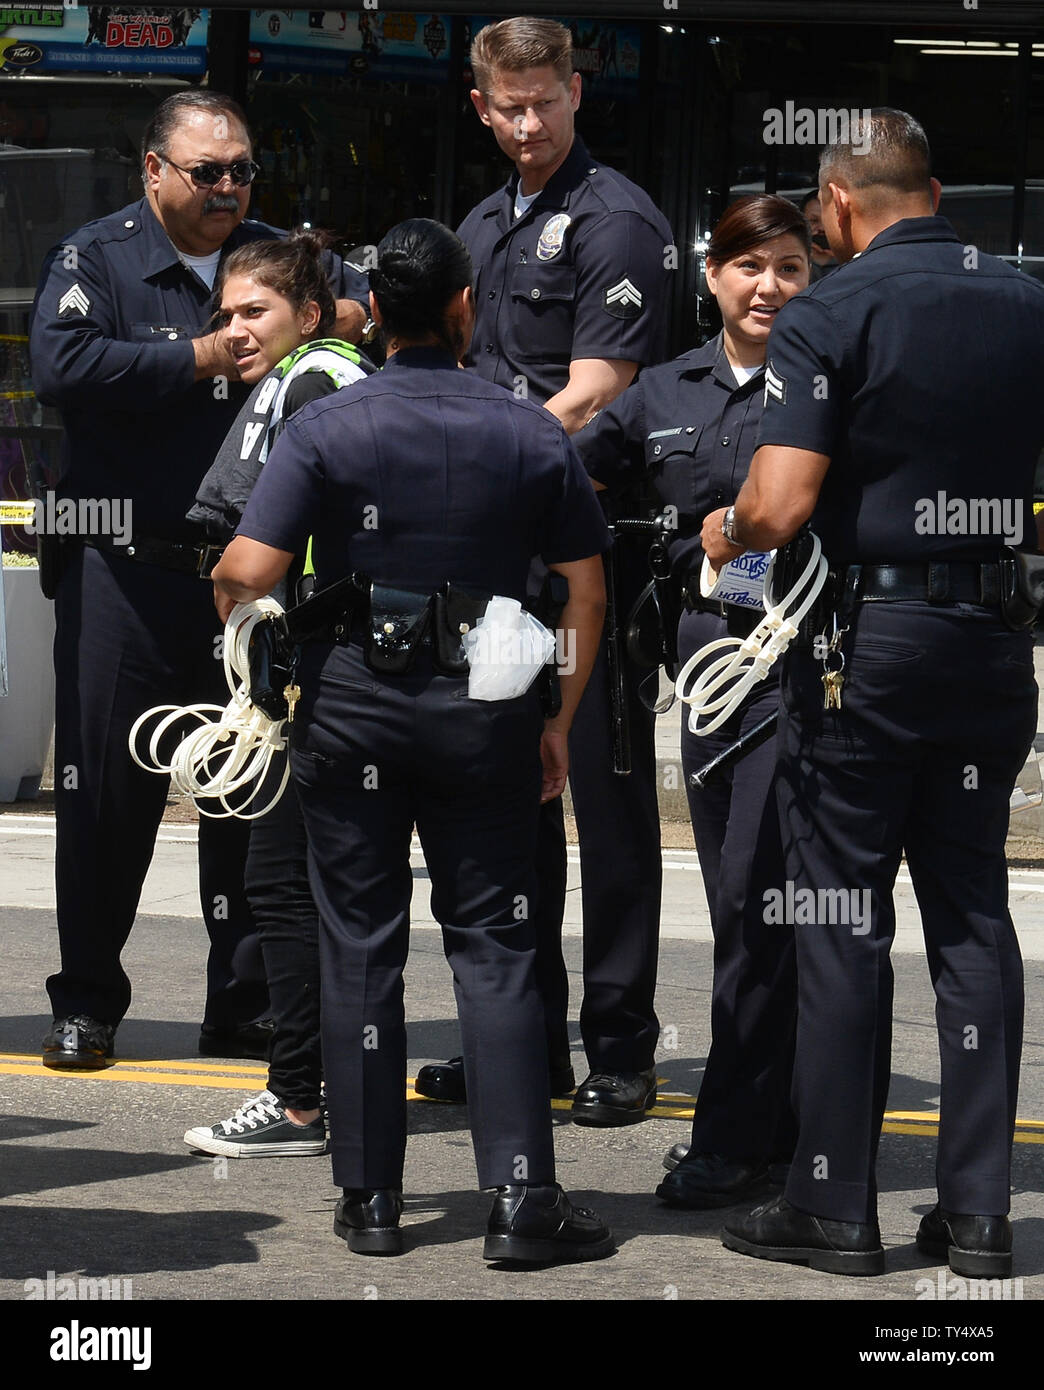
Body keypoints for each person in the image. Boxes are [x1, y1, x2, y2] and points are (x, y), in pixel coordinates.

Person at [211, 218, 615, 1263]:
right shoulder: (529, 429)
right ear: (467, 307)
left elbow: (243, 571)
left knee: (358, 945)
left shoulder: (331, 424)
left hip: (354, 710)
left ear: (373, 314)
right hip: (490, 709)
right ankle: (523, 1203)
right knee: (498, 948)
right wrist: (558, 719)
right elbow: (584, 585)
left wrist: (263, 665)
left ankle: (372, 1201)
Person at [703, 109, 1044, 1277]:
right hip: (993, 637)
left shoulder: (831, 309)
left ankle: (832, 1203)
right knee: (973, 917)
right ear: (936, 193)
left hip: (870, 644)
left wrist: (729, 526)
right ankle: (980, 1213)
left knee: (842, 917)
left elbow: (782, 507)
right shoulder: (1026, 301)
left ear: (837, 205)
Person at [30, 88, 369, 1070]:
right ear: (154, 171)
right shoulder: (97, 257)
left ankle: (246, 1001)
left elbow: (358, 317)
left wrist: (323, 317)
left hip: (249, 584)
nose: (229, 188)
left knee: (248, 788)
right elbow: (61, 365)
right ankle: (87, 1000)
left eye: (243, 171)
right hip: (122, 573)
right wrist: (200, 357)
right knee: (104, 797)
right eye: (207, 171)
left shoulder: (276, 255)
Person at [417, 14, 674, 1125]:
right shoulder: (481, 222)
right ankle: (523, 1037)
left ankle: (619, 1043)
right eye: (508, 106)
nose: (529, 123)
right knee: (503, 804)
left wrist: (475, 471)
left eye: (546, 101)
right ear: (481, 107)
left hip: (584, 553)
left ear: (578, 90)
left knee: (607, 807)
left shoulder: (618, 221)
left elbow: (597, 389)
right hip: (497, 559)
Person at [573, 195, 809, 1206]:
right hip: (704, 674)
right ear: (711, 274)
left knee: (764, 903)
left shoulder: (827, 384)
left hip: (798, 669)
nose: (767, 287)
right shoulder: (664, 386)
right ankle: (786, 1114)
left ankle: (743, 1135)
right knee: (738, 901)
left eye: (791, 268)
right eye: (749, 266)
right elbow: (565, 476)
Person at [183, 230, 372, 1158]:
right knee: (309, 888)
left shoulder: (315, 384)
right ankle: (328, 1091)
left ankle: (300, 1102)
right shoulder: (317, 377)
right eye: (225, 314)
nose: (235, 329)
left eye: (254, 310)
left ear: (308, 311)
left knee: (286, 886)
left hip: (322, 677)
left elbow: (276, 547)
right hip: (319, 670)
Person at [798, 190, 838, 282]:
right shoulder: (792, 261)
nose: (822, 228)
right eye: (814, 221)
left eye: (829, 221)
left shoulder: (852, 261)